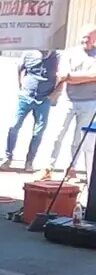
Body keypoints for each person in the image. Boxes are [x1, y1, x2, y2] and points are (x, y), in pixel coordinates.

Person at [41, 25, 96, 181]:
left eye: (90, 37)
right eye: (84, 37)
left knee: (79, 138)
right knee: (57, 135)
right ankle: (49, 167)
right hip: (68, 100)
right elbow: (63, 75)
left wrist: (73, 77)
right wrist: (87, 77)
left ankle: (72, 168)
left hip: (90, 102)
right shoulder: (69, 53)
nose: (86, 40)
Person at [2, 49, 60, 172]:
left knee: (38, 132)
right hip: (26, 97)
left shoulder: (57, 57)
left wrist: (53, 96)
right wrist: (20, 87)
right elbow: (19, 68)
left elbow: (62, 77)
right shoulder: (28, 53)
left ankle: (29, 161)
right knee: (14, 126)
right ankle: (7, 157)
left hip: (44, 99)